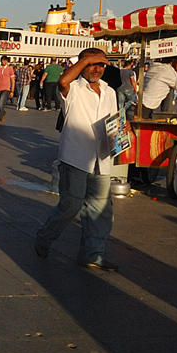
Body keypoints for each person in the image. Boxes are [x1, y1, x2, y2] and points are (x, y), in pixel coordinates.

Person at [35, 48, 120, 270]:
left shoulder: (109, 92)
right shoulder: (73, 88)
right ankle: (45, 236)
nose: (97, 68)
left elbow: (113, 121)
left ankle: (93, 254)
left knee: (100, 209)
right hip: (75, 156)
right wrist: (86, 60)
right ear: (82, 65)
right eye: (92, 64)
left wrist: (122, 128)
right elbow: (63, 80)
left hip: (101, 157)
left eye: (101, 64)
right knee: (71, 205)